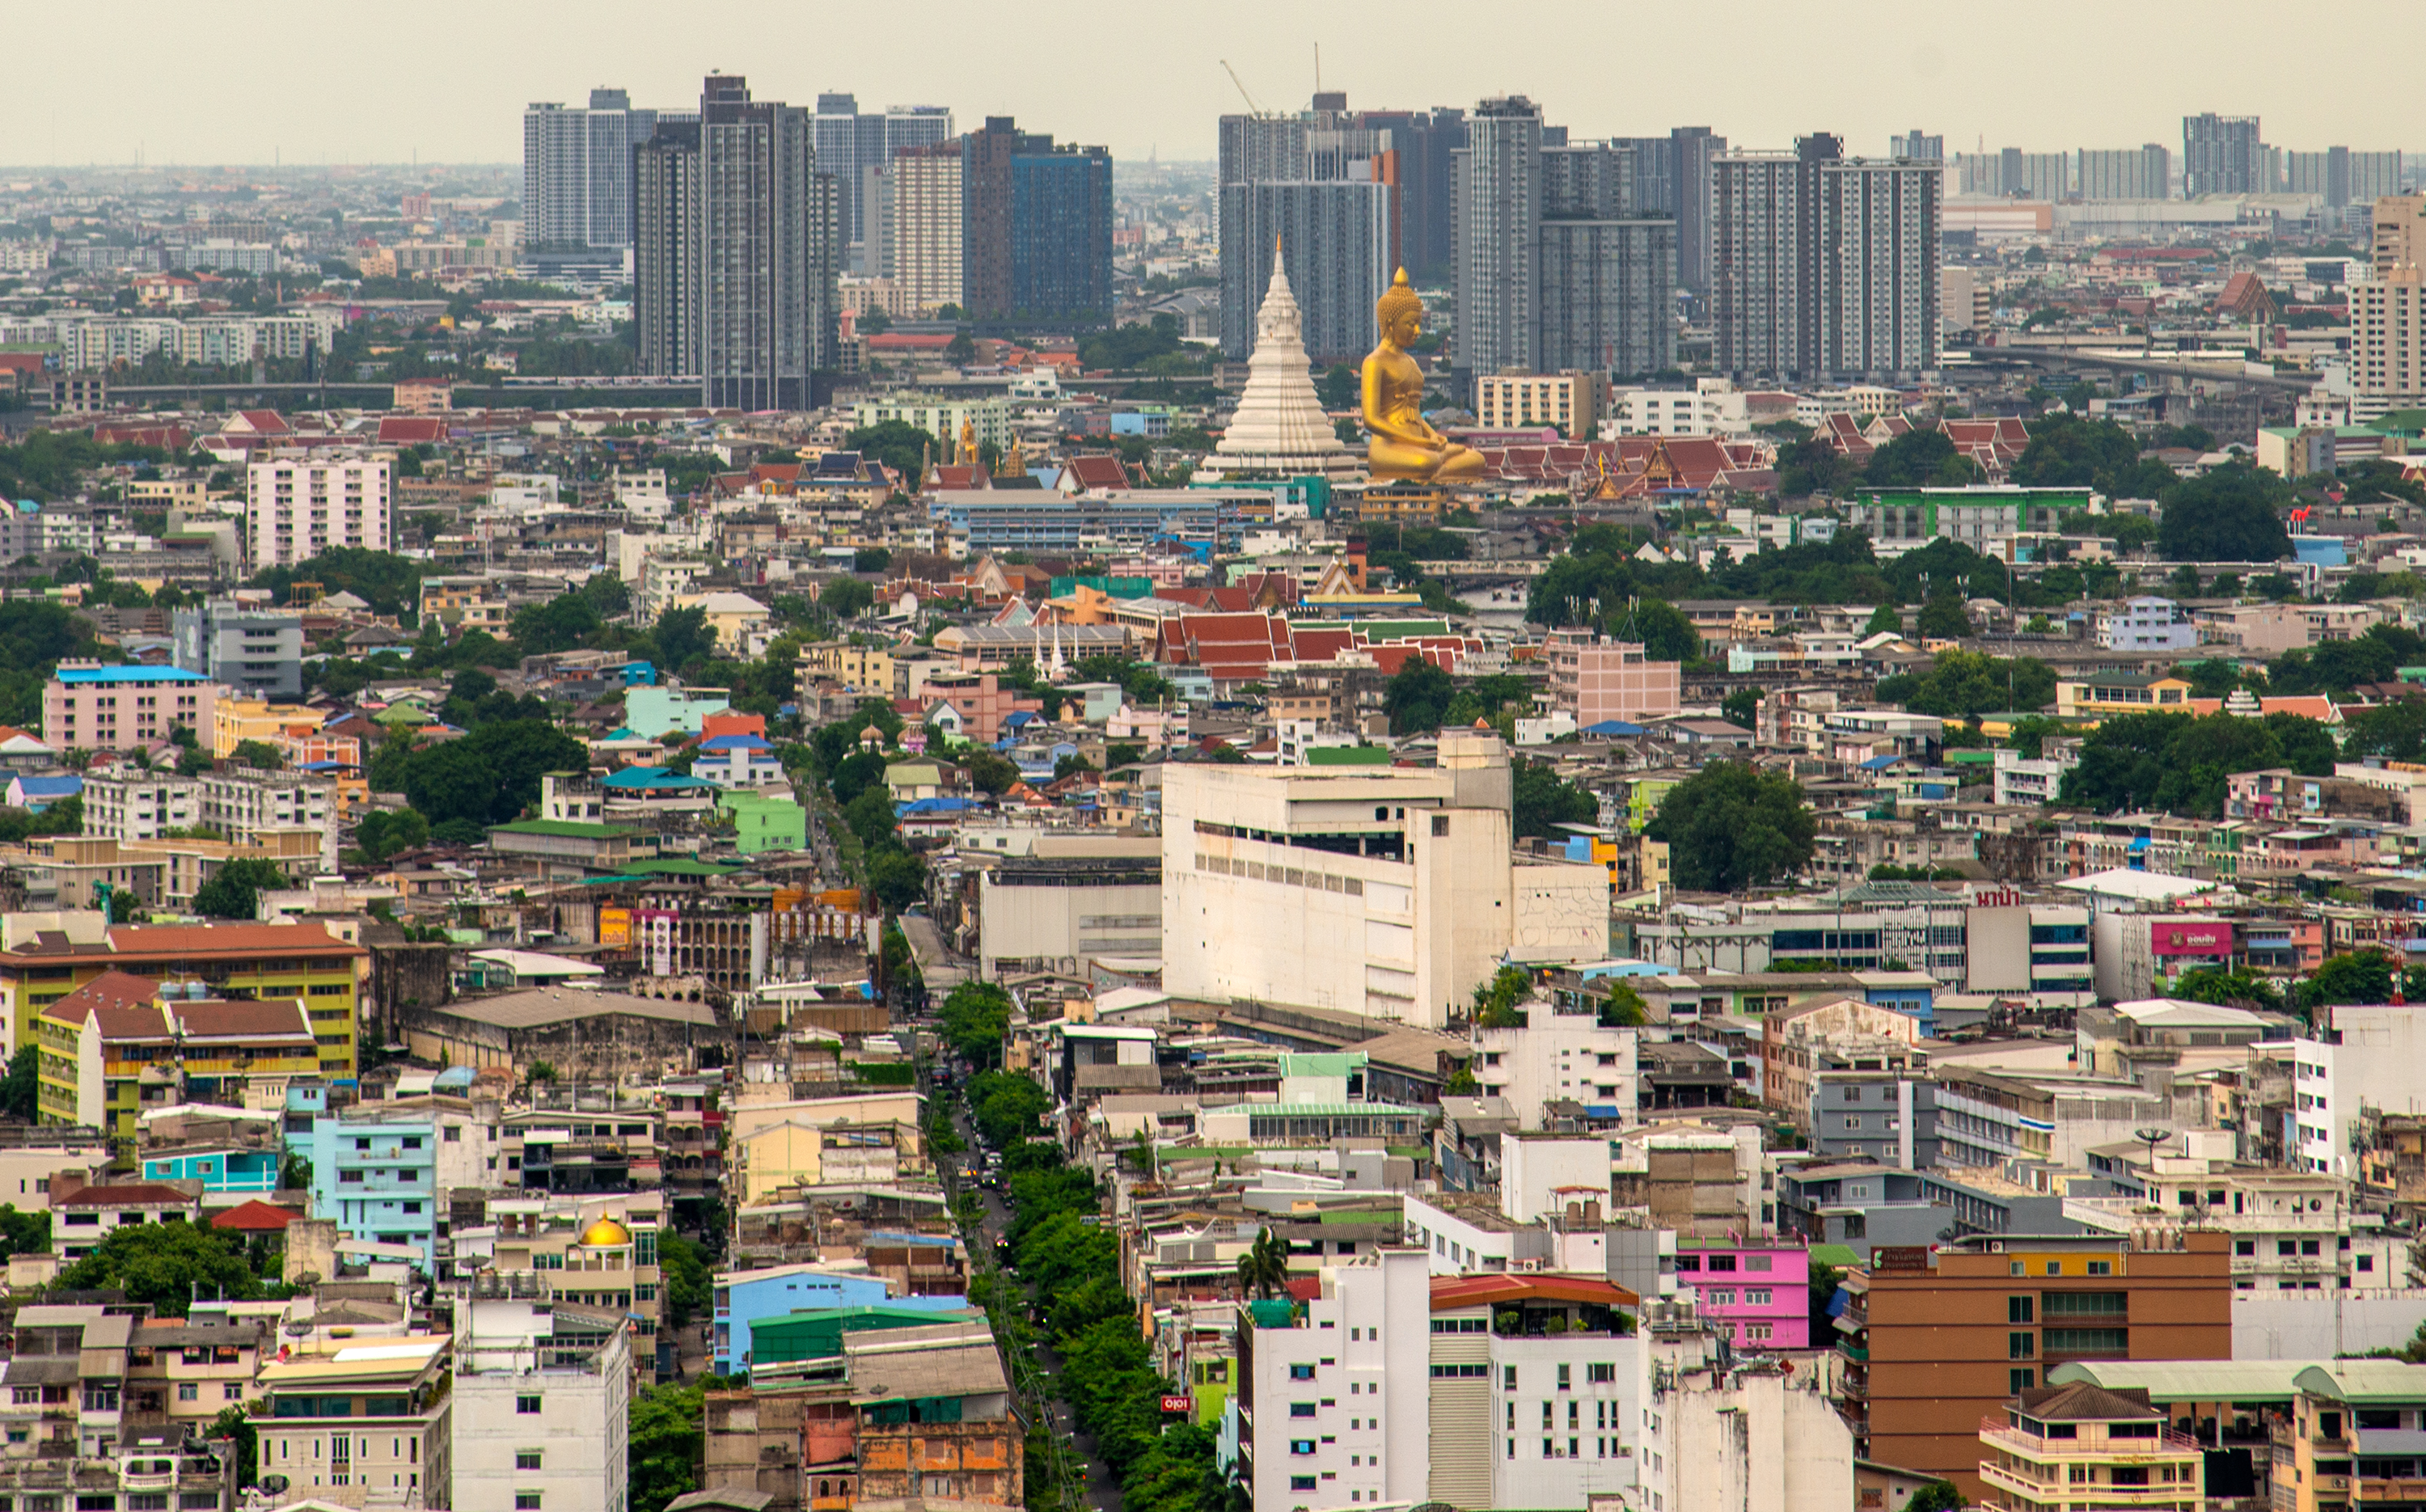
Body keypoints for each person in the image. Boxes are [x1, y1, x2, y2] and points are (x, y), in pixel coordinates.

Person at [1360, 268, 1484, 484]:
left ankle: (1438, 471)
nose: (1417, 331)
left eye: (1419, 323)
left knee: (1476, 459)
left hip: (1419, 444)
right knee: (1425, 462)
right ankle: (1437, 468)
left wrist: (1432, 436)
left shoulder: (1411, 362)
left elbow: (1414, 414)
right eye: (1411, 324)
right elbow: (1371, 420)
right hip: (1388, 448)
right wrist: (1419, 442)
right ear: (1391, 323)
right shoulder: (1374, 362)